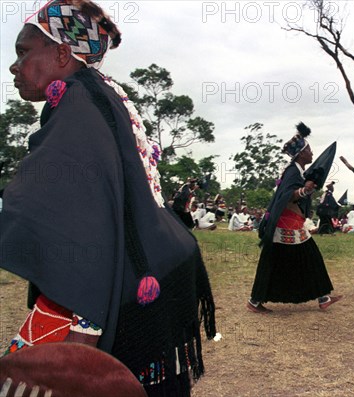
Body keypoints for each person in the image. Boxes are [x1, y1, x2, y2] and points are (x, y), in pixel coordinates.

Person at [1, 1, 216, 396]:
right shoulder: (100, 93)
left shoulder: (77, 102)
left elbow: (77, 217)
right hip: (161, 265)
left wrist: (85, 329)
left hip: (133, 278)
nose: (14, 67)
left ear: (62, 53)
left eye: (22, 52)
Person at [247, 122, 342, 313]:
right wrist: (304, 191)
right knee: (287, 259)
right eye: (309, 150)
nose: (312, 153)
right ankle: (255, 301)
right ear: (301, 154)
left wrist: (305, 189)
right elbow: (287, 195)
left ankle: (322, 297)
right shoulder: (292, 172)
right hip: (286, 224)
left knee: (296, 259)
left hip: (290, 224)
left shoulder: (297, 172)